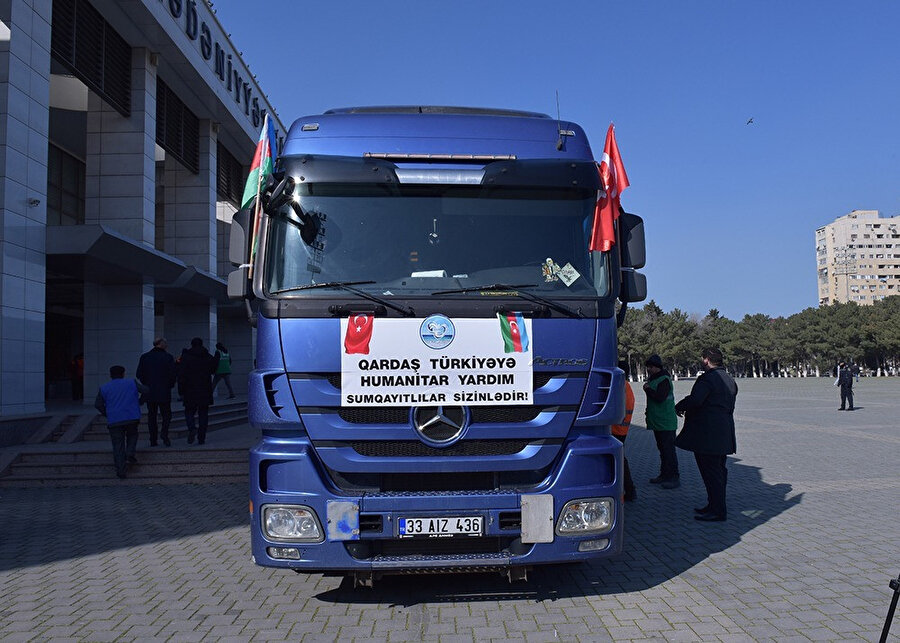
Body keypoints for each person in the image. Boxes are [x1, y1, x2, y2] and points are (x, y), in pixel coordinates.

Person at [674, 347, 738, 522]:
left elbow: (696, 400)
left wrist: (679, 406)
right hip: (724, 432)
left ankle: (717, 510)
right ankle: (714, 505)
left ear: (706, 360)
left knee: (711, 473)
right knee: (718, 471)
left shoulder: (708, 379)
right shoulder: (729, 379)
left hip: (708, 434)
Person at [94, 365, 148, 479]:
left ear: (110, 375)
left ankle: (121, 470)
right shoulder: (131, 383)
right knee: (132, 436)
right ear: (123, 373)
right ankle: (130, 453)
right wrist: (140, 401)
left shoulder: (104, 387)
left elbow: (98, 404)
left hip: (114, 419)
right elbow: (146, 390)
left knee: (117, 445)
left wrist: (107, 413)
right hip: (131, 416)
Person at [642, 354, 680, 489]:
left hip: (666, 422)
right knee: (663, 450)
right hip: (658, 422)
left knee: (669, 451)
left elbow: (660, 398)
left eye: (650, 367)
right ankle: (664, 475)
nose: (648, 370)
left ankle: (674, 477)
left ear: (656, 367)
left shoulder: (664, 379)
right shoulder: (655, 379)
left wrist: (647, 389)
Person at [136, 337, 177, 447]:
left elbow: (139, 374)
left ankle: (153, 439)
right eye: (165, 343)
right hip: (164, 390)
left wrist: (147, 384)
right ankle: (164, 434)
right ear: (161, 344)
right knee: (166, 415)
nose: (167, 345)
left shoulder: (145, 357)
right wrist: (169, 384)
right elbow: (173, 374)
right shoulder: (168, 357)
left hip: (149, 391)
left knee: (152, 416)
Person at [178, 337, 219, 444]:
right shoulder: (207, 356)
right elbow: (213, 369)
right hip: (204, 389)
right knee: (203, 414)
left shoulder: (186, 356)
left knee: (189, 411)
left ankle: (192, 428)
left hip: (189, 389)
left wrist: (181, 390)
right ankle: (201, 437)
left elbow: (181, 374)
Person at [612, 360, 637, 502]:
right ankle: (629, 490)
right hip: (621, 430)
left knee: (620, 462)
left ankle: (629, 490)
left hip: (616, 430)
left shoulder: (620, 387)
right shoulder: (626, 386)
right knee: (621, 461)